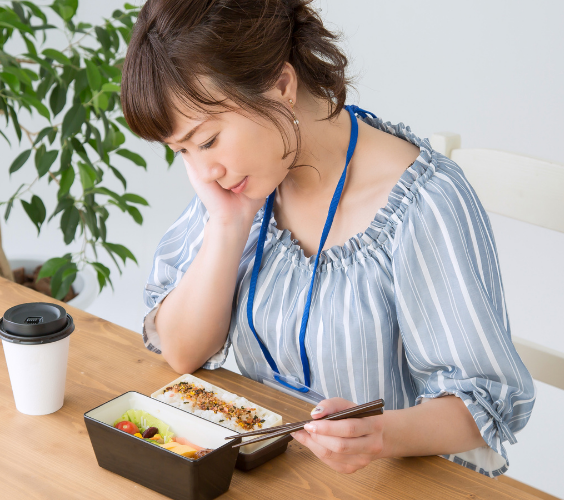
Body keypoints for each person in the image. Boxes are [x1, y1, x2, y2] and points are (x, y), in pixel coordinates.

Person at [119, 0, 535, 478]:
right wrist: (229, 225)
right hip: (273, 476)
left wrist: (378, 434)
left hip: (393, 483)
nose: (203, 172)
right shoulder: (243, 182)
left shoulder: (421, 203)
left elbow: (486, 406)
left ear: (280, 85)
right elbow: (182, 351)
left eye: (208, 140)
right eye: (183, 152)